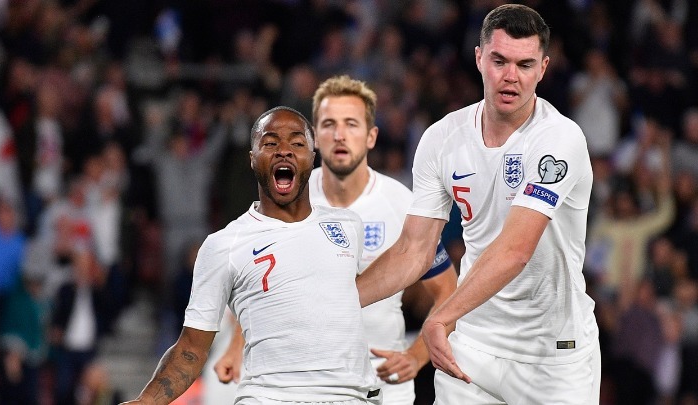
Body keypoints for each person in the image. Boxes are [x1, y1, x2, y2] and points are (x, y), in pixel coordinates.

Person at [355, 4, 601, 405]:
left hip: (552, 357)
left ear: (543, 69)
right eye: (499, 61)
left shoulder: (559, 140)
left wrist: (441, 316)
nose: (510, 76)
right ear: (478, 58)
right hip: (471, 346)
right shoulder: (442, 138)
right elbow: (414, 249)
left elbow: (515, 250)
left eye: (525, 64)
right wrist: (335, 303)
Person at [214, 75, 458, 404]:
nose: (340, 135)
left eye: (351, 124)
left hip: (383, 385)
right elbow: (256, 282)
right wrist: (236, 345)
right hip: (304, 384)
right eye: (329, 124)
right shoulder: (284, 198)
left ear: (371, 136)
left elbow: (447, 289)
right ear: (313, 137)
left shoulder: (401, 204)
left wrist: (416, 356)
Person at [120, 106, 381, 404]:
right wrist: (146, 401)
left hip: (351, 397)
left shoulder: (348, 226)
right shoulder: (224, 245)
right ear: (252, 158)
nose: (284, 150)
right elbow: (192, 347)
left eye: (297, 143)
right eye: (270, 143)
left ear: (312, 156)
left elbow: (343, 299)